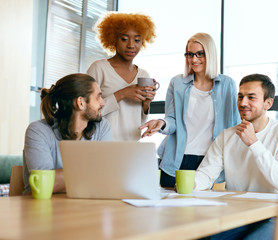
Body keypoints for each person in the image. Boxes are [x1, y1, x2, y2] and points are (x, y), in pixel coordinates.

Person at [195, 73, 278, 240]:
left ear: (268, 103)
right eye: (240, 96)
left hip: (275, 216)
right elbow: (206, 174)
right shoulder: (226, 136)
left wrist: (254, 143)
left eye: (251, 97)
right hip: (237, 215)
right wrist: (189, 184)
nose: (243, 103)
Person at [140, 32, 240, 187]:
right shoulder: (178, 83)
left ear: (210, 54)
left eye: (200, 54)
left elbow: (233, 124)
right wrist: (162, 123)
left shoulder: (227, 85)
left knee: (204, 210)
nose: (194, 59)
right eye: (190, 54)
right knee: (169, 209)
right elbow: (172, 119)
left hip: (209, 162)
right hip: (176, 159)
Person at [23, 73, 112, 194]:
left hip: (85, 206)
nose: (103, 103)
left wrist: (61, 176)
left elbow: (107, 176)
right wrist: (93, 172)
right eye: (98, 97)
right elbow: (43, 184)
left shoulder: (102, 127)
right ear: (80, 102)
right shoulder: (38, 131)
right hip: (41, 208)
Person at [87, 12, 157, 141]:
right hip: (103, 144)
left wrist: (146, 105)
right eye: (124, 39)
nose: (131, 45)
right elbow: (86, 113)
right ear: (113, 39)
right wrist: (122, 94)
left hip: (132, 147)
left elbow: (139, 121)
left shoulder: (143, 75)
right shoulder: (99, 68)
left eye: (137, 40)